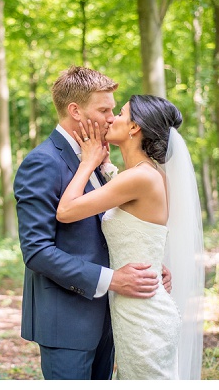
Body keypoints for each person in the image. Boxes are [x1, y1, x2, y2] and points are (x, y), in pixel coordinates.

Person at [13, 66, 172, 380]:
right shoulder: (43, 162)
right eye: (104, 109)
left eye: (114, 110)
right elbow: (36, 251)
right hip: (67, 324)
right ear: (75, 111)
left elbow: (118, 224)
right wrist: (112, 279)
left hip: (113, 319)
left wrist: (149, 264)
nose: (112, 117)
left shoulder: (99, 159)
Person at [56, 94, 205, 379]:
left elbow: (65, 211)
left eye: (120, 113)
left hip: (142, 313)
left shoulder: (139, 178)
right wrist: (106, 167)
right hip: (137, 302)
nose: (111, 118)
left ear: (135, 127)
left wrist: (88, 162)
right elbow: (139, 227)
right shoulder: (148, 175)